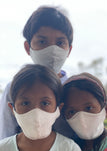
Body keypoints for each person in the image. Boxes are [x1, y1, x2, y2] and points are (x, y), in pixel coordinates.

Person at [0, 64, 90, 151]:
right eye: (25, 103)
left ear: (58, 108)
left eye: (45, 103)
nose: (36, 111)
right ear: (12, 109)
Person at [0, 5, 74, 140]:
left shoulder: (75, 89)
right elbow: (5, 136)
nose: (52, 49)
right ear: (28, 47)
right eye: (42, 41)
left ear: (69, 49)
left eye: (60, 42)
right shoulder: (13, 89)